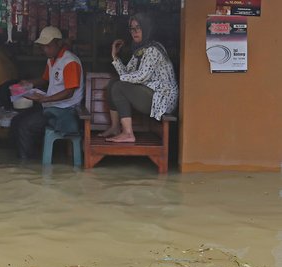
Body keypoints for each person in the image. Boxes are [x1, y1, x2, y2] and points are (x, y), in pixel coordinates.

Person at [98, 13, 178, 142]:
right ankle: (114, 127)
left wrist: (122, 79)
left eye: (138, 28)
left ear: (147, 29)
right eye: (132, 28)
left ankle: (128, 133)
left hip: (162, 98)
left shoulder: (153, 49)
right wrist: (115, 57)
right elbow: (127, 73)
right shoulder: (140, 50)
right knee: (113, 83)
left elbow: (141, 76)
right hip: (151, 93)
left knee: (118, 85)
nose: (134, 32)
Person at [10, 26, 84, 159]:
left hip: (65, 109)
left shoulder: (70, 62)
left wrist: (44, 99)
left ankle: (25, 164)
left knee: (25, 126)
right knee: (16, 120)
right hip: (51, 105)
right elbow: (45, 79)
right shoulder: (52, 59)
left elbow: (69, 92)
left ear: (59, 43)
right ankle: (21, 159)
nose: (45, 50)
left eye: (48, 46)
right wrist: (29, 84)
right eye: (43, 47)